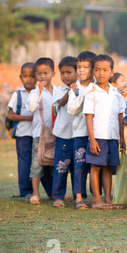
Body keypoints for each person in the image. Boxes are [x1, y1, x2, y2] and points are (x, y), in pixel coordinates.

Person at [83, 54, 126, 210]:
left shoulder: (116, 94)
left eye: (105, 70)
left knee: (108, 167)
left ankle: (108, 199)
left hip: (112, 137)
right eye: (97, 70)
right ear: (93, 72)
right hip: (98, 136)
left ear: (111, 71)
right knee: (95, 167)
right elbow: (88, 118)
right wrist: (92, 139)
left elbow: (121, 116)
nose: (101, 73)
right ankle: (96, 199)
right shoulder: (91, 93)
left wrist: (121, 137)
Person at [26, 57, 58, 205]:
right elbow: (31, 107)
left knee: (55, 165)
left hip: (56, 133)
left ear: (53, 73)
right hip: (39, 134)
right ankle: (35, 193)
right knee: (37, 164)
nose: (43, 76)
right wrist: (38, 91)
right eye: (39, 73)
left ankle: (57, 193)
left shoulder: (58, 91)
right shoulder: (34, 92)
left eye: (46, 73)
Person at [67, 51, 97, 210]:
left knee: (95, 166)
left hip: (97, 134)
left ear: (93, 69)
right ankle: (79, 197)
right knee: (79, 167)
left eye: (85, 67)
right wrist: (84, 94)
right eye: (79, 67)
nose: (81, 70)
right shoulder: (75, 88)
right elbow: (71, 110)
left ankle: (97, 197)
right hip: (79, 133)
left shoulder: (99, 86)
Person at [7, 63, 37, 199]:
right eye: (25, 76)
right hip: (22, 134)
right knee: (24, 162)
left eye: (32, 76)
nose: (29, 79)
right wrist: (29, 118)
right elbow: (11, 115)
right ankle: (25, 191)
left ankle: (45, 190)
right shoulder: (17, 94)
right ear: (21, 77)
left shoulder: (39, 93)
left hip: (37, 134)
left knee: (38, 162)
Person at [51, 56, 78, 208]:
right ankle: (57, 196)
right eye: (62, 73)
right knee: (61, 166)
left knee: (78, 167)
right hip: (63, 135)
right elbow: (60, 103)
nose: (65, 76)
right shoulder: (59, 90)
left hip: (78, 134)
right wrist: (70, 92)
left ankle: (78, 195)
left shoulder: (81, 88)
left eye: (69, 72)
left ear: (77, 73)